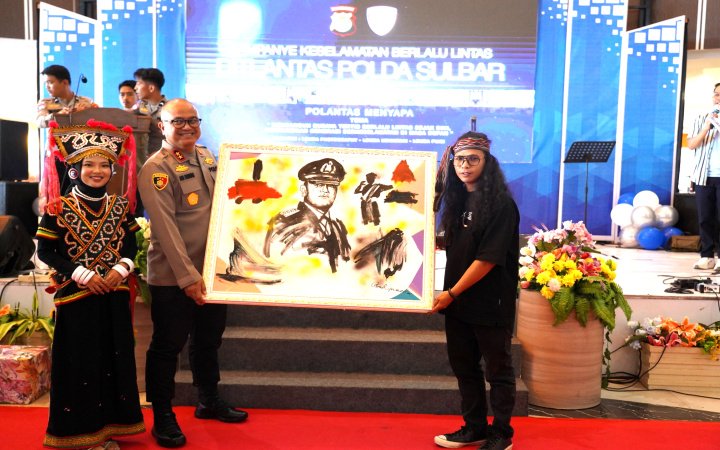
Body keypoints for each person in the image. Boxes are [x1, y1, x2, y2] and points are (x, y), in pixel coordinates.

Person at [138, 98, 248, 449]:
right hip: (174, 277)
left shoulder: (207, 156)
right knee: (167, 346)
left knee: (208, 340)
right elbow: (165, 229)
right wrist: (188, 277)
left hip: (213, 272)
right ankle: (162, 415)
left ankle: (208, 399)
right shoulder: (156, 169)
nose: (187, 127)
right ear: (162, 126)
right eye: (178, 121)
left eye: (192, 120)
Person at [36, 119, 144, 449]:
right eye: (89, 164)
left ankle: (110, 428)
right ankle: (79, 434)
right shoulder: (58, 207)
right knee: (80, 364)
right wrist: (83, 275)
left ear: (112, 170)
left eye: (104, 165)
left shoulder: (121, 206)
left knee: (114, 360)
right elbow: (46, 251)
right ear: (74, 169)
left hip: (113, 294)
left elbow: (131, 245)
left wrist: (120, 269)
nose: (97, 171)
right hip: (76, 298)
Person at [431, 132, 518, 450]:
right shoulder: (456, 203)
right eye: (459, 159)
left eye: (473, 159)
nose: (464, 165)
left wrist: (451, 293)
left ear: (487, 162)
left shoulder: (500, 205)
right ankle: (475, 427)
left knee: (498, 370)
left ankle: (501, 434)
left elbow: (487, 260)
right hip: (458, 302)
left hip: (489, 302)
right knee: (464, 367)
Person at [262, 157, 351, 273]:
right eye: (318, 184)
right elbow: (276, 266)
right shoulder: (284, 223)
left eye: (331, 185)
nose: (325, 190)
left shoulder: (338, 227)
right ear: (304, 190)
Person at [688, 82, 720, 270]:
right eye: (717, 94)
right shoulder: (701, 118)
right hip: (703, 177)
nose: (719, 98)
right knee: (705, 218)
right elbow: (691, 144)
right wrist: (706, 127)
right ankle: (707, 256)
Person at [133, 67, 168, 158]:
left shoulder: (170, 110)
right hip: (141, 161)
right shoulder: (139, 108)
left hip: (163, 159)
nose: (135, 88)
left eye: (139, 83)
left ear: (151, 88)